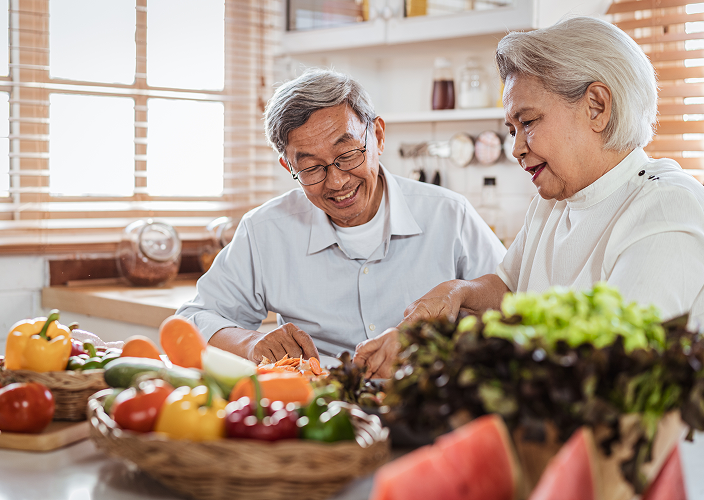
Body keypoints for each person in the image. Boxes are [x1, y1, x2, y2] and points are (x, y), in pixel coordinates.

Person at [177, 68, 505, 376]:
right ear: (287, 165)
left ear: (377, 135)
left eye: (347, 155)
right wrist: (250, 344)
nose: (336, 182)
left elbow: (513, 301)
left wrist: (458, 294)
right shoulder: (266, 230)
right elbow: (193, 319)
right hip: (319, 414)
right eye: (311, 168)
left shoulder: (449, 214)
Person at [402, 16, 704, 336]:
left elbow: (613, 362)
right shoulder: (552, 203)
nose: (516, 148)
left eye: (528, 122)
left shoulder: (667, 205)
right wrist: (457, 292)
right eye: (512, 130)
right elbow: (509, 291)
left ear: (597, 107)